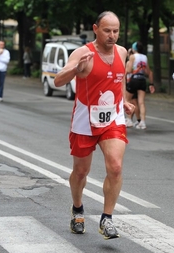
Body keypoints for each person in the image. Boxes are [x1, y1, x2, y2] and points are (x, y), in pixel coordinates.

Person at [54, 11, 135, 240]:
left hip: (113, 118)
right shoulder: (83, 53)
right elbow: (58, 80)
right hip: (85, 120)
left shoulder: (121, 52)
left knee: (115, 166)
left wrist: (124, 101)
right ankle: (78, 209)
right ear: (96, 29)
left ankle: (106, 218)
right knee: (81, 171)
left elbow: (119, 79)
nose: (112, 35)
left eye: (116, 31)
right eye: (107, 30)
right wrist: (75, 69)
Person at [125, 41, 155, 129]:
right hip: (142, 79)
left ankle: (129, 120)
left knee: (127, 100)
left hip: (134, 79)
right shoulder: (145, 57)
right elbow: (148, 71)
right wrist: (151, 83)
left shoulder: (132, 57)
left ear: (134, 49)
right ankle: (142, 122)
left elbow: (129, 70)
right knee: (141, 102)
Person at [125, 48, 140, 127]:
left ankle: (129, 119)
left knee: (129, 101)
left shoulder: (129, 62)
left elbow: (126, 72)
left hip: (130, 82)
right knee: (135, 102)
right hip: (135, 82)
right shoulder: (136, 63)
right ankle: (138, 119)